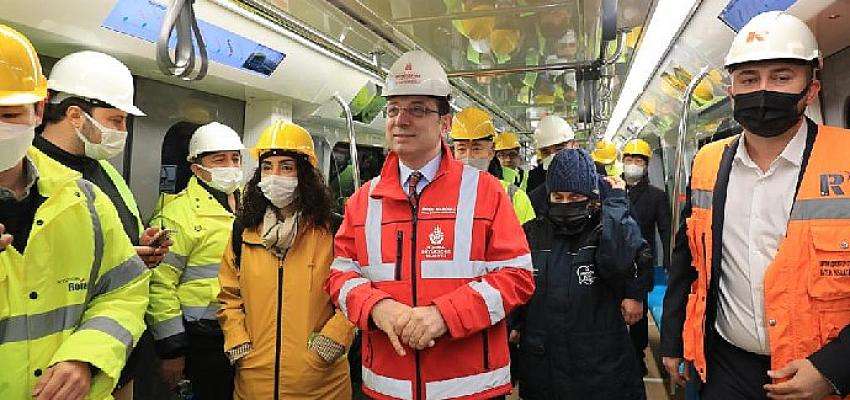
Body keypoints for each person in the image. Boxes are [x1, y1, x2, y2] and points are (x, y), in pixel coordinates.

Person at [661, 11, 850, 399]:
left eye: (781, 77)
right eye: (749, 79)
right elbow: (688, 260)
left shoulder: (845, 157)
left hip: (817, 370)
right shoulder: (707, 163)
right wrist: (672, 339)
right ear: (731, 91)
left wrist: (835, 368)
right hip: (726, 368)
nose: (763, 90)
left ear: (811, 89)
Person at [326, 50, 535, 400]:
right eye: (393, 109)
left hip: (472, 388)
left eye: (418, 109)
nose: (401, 120)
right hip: (388, 387)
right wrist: (376, 307)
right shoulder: (363, 200)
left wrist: (444, 315)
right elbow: (340, 276)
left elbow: (518, 277)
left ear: (445, 123)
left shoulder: (486, 192)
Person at [0, 24, 150, 400]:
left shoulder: (85, 195)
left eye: (7, 114)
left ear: (38, 110)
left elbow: (125, 288)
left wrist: (87, 356)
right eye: (116, 119)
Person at [33, 50, 171, 399]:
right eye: (116, 120)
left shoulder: (105, 171)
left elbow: (115, 241)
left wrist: (140, 248)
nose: (122, 132)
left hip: (117, 350)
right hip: (59, 364)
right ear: (75, 115)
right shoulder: (29, 171)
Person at [218, 121, 356, 399]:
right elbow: (229, 296)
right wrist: (237, 340)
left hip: (320, 381)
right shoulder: (244, 231)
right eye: (267, 167)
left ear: (303, 174)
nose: (274, 176)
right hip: (254, 378)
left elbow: (354, 294)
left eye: (286, 167)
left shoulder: (333, 230)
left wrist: (332, 340)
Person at [514, 149, 646, 400]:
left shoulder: (604, 230)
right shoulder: (531, 233)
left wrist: (616, 204)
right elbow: (517, 284)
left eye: (575, 196)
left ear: (591, 196)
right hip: (544, 367)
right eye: (558, 197)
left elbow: (620, 262)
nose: (565, 204)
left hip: (599, 367)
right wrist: (516, 322)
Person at [147, 122, 245, 399]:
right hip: (201, 338)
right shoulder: (177, 215)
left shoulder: (250, 207)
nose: (230, 166)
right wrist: (172, 349)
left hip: (243, 331)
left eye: (235, 158)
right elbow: (160, 286)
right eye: (219, 160)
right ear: (197, 168)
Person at [621, 138, 672, 376]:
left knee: (638, 313)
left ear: (646, 165)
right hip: (615, 261)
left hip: (641, 263)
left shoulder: (656, 196)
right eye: (629, 159)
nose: (633, 164)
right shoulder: (611, 190)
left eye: (638, 161)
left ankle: (637, 354)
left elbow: (665, 231)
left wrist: (670, 263)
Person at [450, 107, 536, 224]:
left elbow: (528, 235)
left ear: (491, 152)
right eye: (461, 149)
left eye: (476, 149)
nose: (468, 156)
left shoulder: (514, 197)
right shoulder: (441, 194)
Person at [525, 115, 579, 193]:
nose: (553, 156)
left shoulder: (592, 173)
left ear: (575, 145)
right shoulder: (534, 178)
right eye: (545, 152)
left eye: (559, 148)